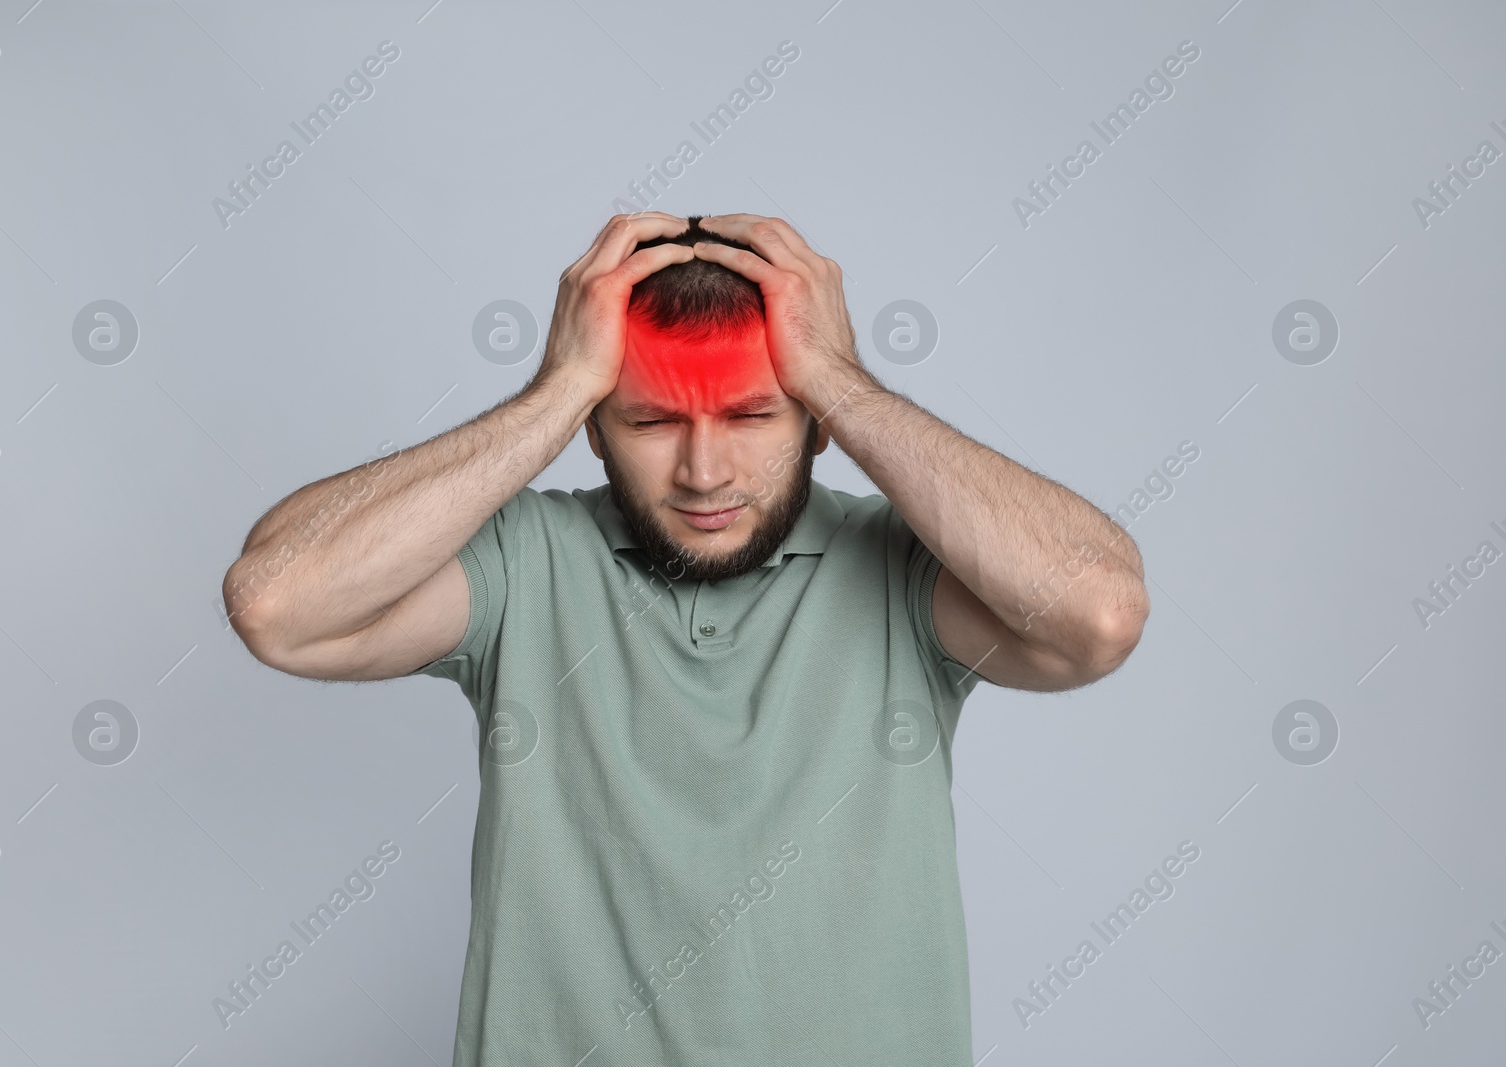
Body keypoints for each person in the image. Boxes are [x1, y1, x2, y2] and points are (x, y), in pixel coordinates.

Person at [222, 211, 1150, 1065]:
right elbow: (276, 604)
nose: (704, 472)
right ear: (594, 429)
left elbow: (1099, 615)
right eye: (653, 419)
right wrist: (558, 388)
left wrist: (841, 382)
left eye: (751, 415)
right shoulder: (527, 562)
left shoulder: (903, 572)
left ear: (815, 423)